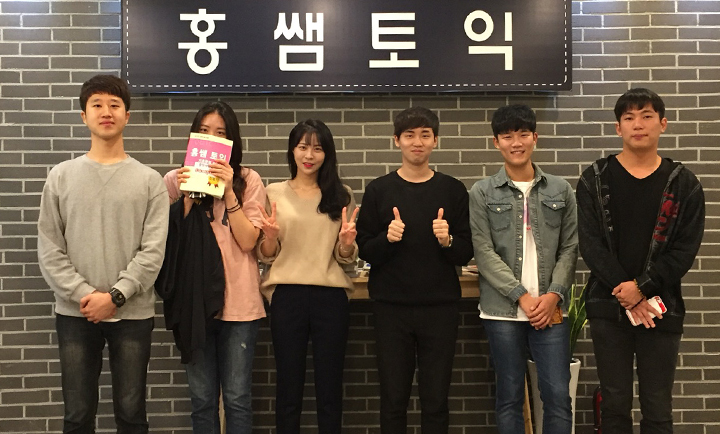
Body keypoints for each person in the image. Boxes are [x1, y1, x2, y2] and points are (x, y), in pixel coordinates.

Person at [37, 74, 169, 433]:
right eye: (97, 104)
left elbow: (152, 252)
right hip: (75, 313)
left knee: (131, 413)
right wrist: (86, 295)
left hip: (132, 315)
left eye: (114, 104)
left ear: (127, 115)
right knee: (77, 415)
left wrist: (115, 297)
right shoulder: (60, 177)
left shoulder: (150, 181)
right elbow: (50, 249)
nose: (106, 112)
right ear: (84, 116)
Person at [576, 88, 705, 434]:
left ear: (663, 124)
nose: (638, 124)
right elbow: (590, 244)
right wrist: (628, 291)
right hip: (608, 309)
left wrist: (643, 288)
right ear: (618, 128)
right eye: (629, 117)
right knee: (614, 406)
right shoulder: (594, 179)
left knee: (658, 408)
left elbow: (684, 251)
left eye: (647, 116)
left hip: (662, 310)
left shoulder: (685, 185)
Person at [356, 107, 474, 434]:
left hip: (441, 308)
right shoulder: (378, 190)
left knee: (436, 400)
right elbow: (365, 248)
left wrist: (448, 240)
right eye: (409, 135)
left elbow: (467, 249)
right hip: (391, 309)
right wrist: (386, 239)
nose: (417, 142)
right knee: (393, 399)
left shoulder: (453, 190)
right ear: (397, 140)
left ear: (436, 140)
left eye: (425, 135)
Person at [468, 104, 577, 434]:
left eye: (523, 134)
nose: (516, 143)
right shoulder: (482, 192)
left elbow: (570, 248)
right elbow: (483, 252)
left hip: (550, 309)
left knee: (558, 396)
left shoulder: (560, 189)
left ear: (535, 138)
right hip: (502, 311)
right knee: (510, 396)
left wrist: (553, 295)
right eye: (507, 136)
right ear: (496, 142)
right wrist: (522, 296)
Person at [162, 101, 267, 434]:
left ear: (231, 141)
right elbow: (165, 245)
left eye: (221, 133)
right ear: (194, 136)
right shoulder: (174, 180)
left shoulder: (248, 180)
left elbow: (249, 242)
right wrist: (187, 199)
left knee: (237, 398)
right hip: (194, 305)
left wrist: (229, 192)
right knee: (202, 399)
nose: (212, 138)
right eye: (204, 131)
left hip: (240, 306)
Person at [256, 119, 357, 434]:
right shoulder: (273, 193)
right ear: (292, 150)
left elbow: (345, 258)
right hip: (287, 296)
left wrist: (346, 244)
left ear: (327, 154)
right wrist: (270, 237)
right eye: (303, 147)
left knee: (330, 387)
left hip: (330, 296)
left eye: (317, 148)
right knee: (288, 386)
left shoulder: (341, 195)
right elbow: (266, 254)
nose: (309, 155)